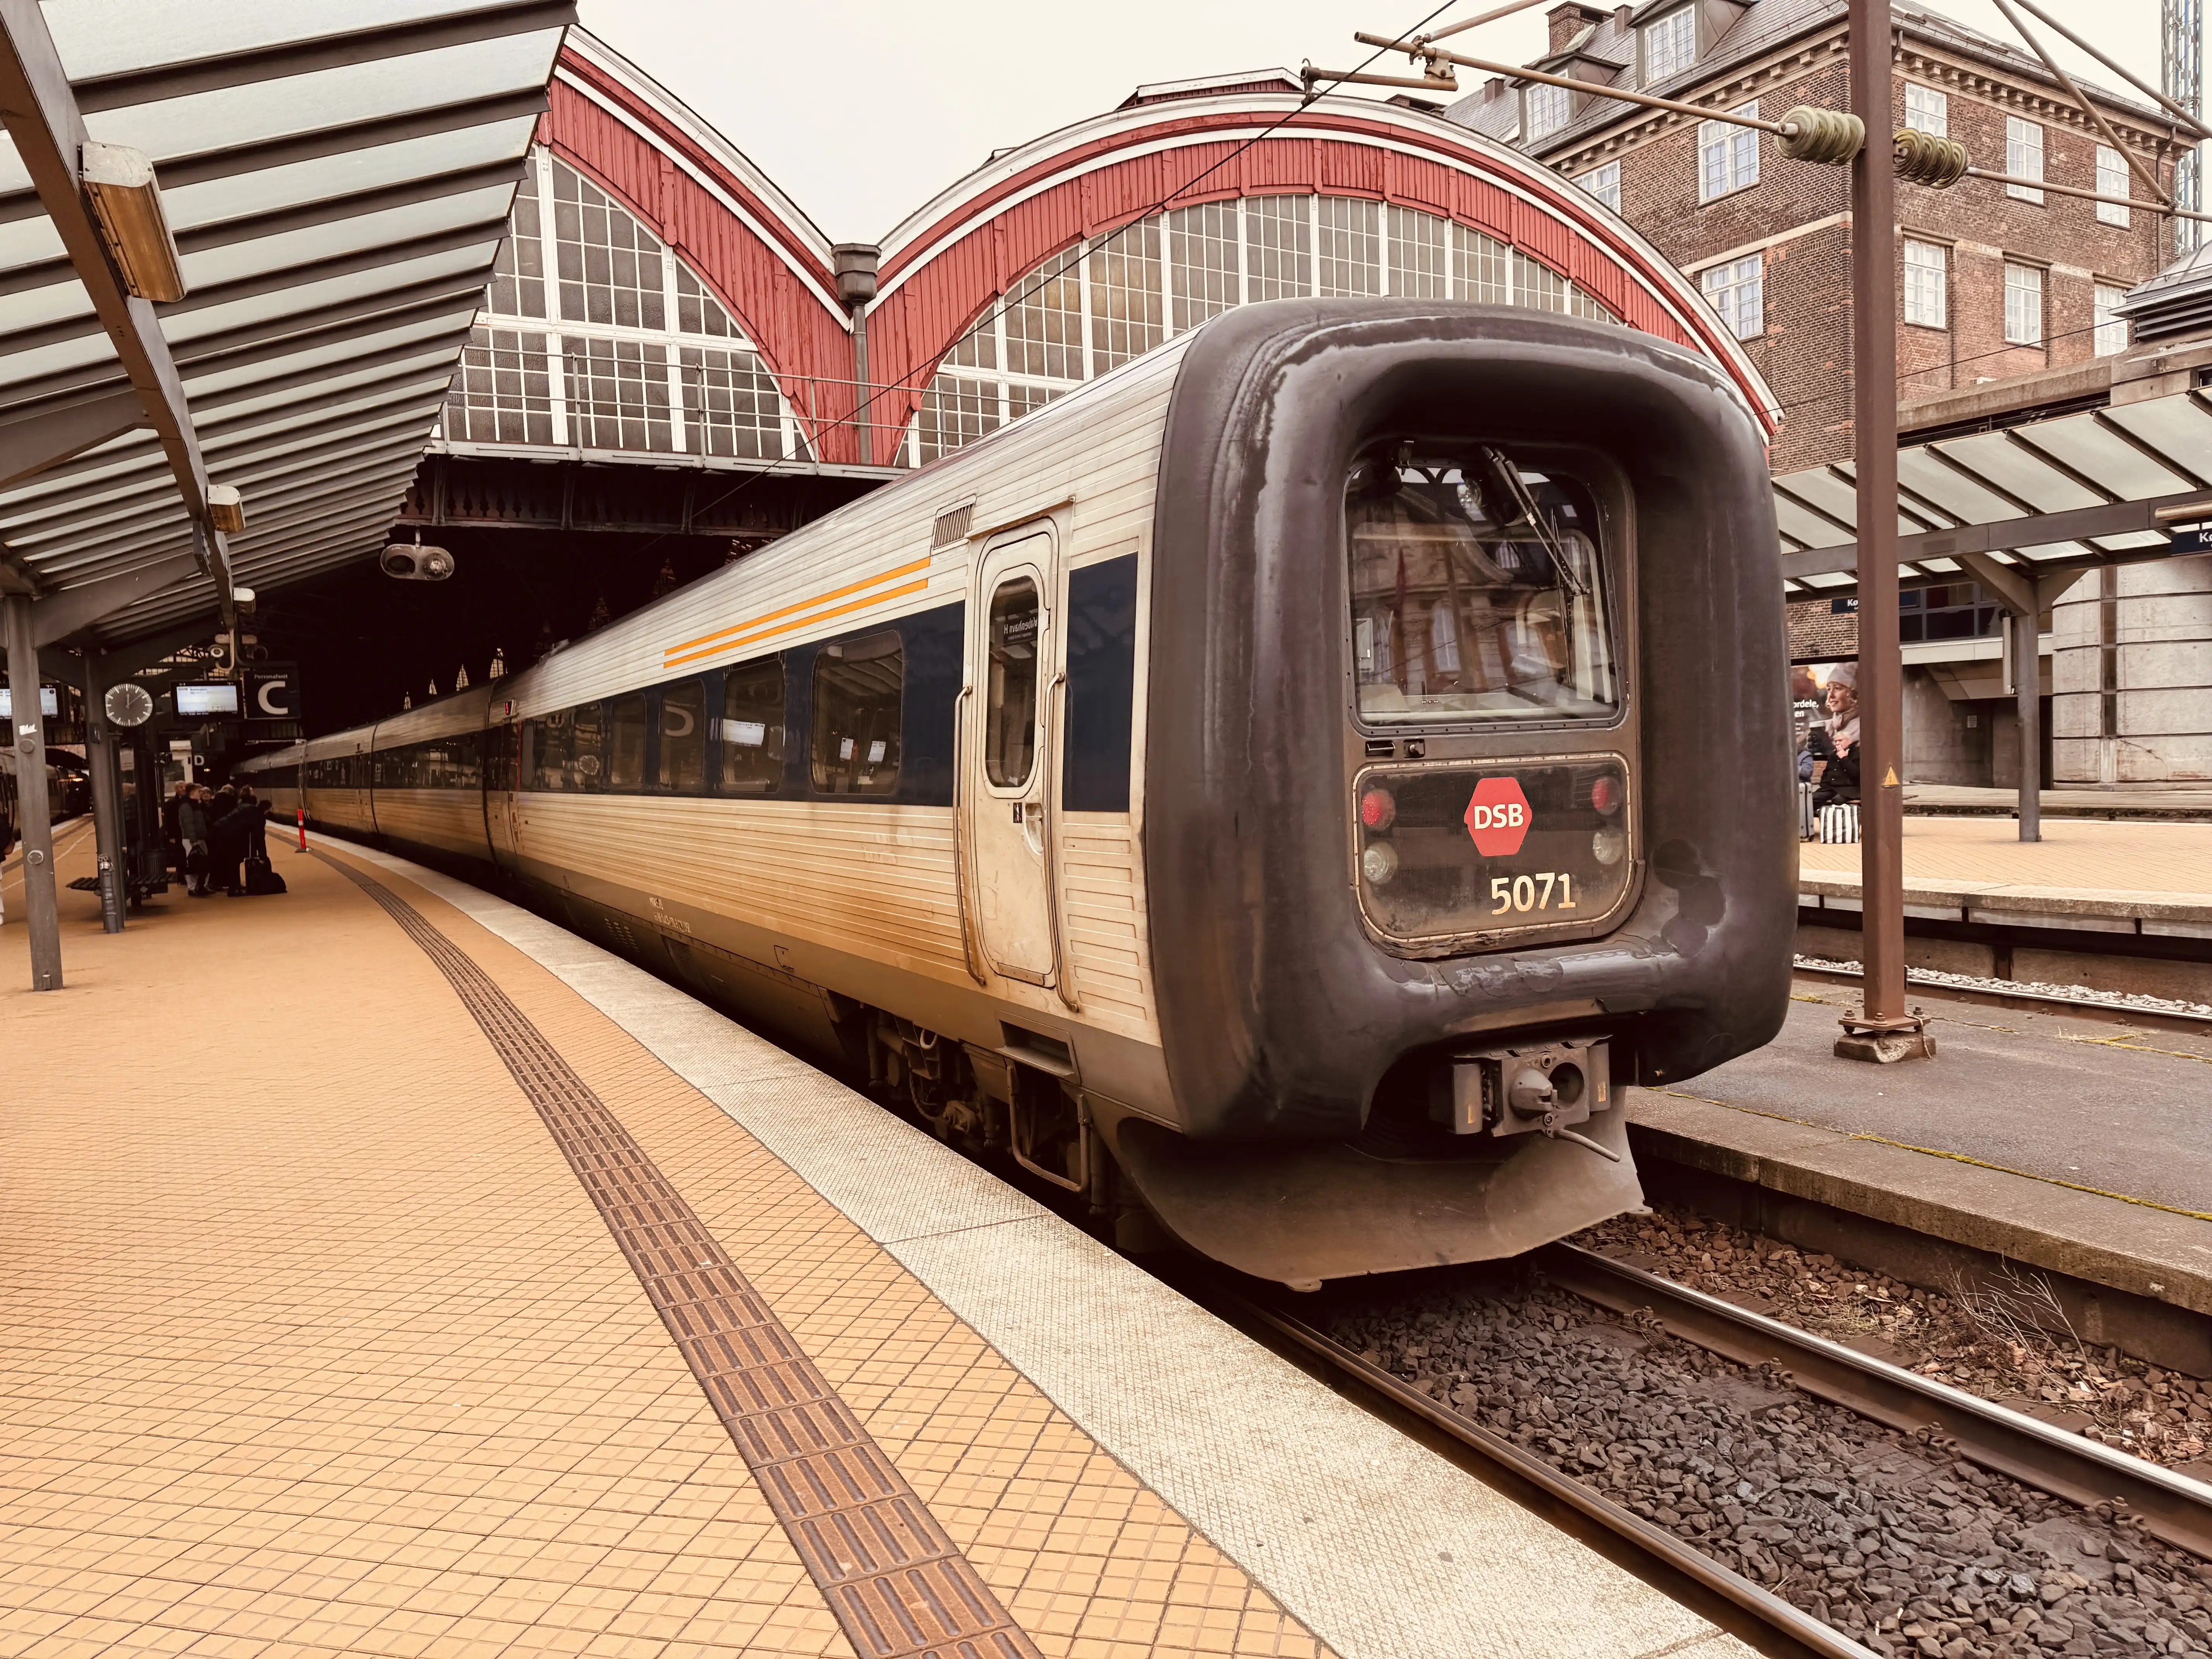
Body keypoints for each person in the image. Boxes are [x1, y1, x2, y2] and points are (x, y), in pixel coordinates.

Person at [1808, 663, 1862, 811]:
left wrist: (1844, 758)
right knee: (1809, 801)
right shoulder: (1828, 726)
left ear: (1853, 695)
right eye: (1828, 689)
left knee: (1839, 803)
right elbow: (1826, 774)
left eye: (1838, 689)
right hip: (1831, 788)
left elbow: (1857, 775)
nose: (1830, 697)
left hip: (1848, 790)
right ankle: (1823, 823)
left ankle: (1842, 827)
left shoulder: (1861, 727)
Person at [208, 785, 253, 898]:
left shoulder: (214, 803)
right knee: (234, 863)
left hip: (220, 836)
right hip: (232, 837)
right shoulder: (232, 805)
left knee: (225, 861)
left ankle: (228, 885)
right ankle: (234, 888)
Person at [177, 784, 211, 896]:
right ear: (193, 793)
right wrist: (194, 840)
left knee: (203, 862)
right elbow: (188, 824)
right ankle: (193, 887)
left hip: (200, 838)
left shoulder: (197, 805)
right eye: (199, 791)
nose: (201, 793)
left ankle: (201, 886)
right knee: (192, 863)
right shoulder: (187, 806)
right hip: (192, 840)